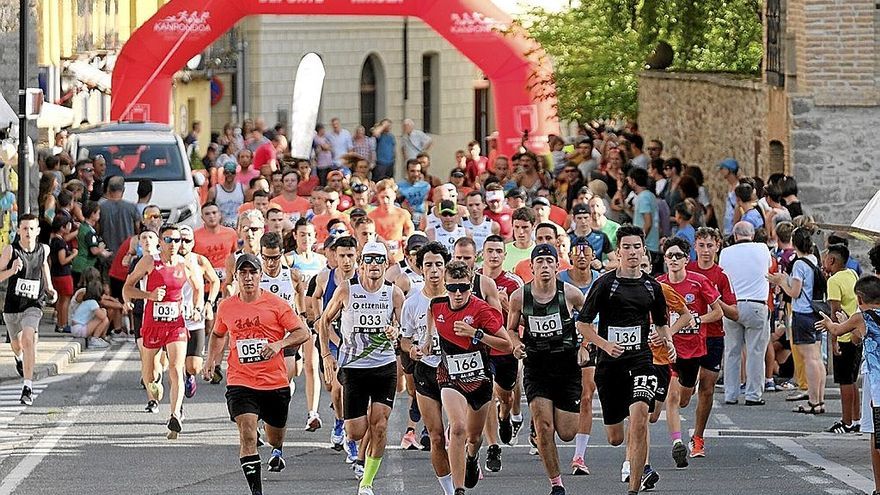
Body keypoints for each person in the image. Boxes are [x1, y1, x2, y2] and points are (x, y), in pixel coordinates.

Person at [576, 224, 676, 495]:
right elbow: (583, 324)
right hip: (610, 365)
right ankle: (629, 460)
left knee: (641, 417)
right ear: (618, 252)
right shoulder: (606, 284)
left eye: (636, 247)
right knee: (615, 437)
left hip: (641, 360)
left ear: (643, 250)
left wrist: (667, 341)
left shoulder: (652, 287)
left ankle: (634, 486)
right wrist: (604, 345)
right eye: (627, 247)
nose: (632, 252)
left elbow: (662, 324)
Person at [204, 253, 310, 495]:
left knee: (275, 437)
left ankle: (277, 449)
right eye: (243, 273)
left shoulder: (276, 304)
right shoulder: (227, 306)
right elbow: (219, 334)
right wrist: (211, 360)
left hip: (274, 382)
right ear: (237, 276)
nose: (248, 278)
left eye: (253, 273)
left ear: (260, 276)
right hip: (240, 381)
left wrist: (278, 345)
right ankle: (256, 491)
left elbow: (301, 332)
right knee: (248, 432)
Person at [318, 242, 405, 495]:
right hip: (353, 368)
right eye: (370, 260)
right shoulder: (347, 290)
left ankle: (366, 482)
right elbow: (323, 321)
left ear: (386, 265)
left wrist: (395, 331)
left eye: (380, 260)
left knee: (379, 425)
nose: (375, 265)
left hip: (384, 366)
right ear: (362, 264)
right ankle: (351, 438)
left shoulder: (394, 293)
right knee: (356, 431)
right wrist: (326, 355)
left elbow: (402, 329)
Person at [425, 260, 513, 495]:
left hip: (479, 379)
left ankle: (472, 457)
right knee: (457, 428)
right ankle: (458, 489)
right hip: (449, 375)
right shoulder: (437, 305)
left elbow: (506, 344)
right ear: (445, 286)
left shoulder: (481, 309)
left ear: (470, 287)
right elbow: (430, 323)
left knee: (473, 437)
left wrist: (476, 333)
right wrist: (425, 341)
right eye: (452, 288)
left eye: (462, 288)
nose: (457, 294)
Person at [507, 244, 587, 495]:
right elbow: (510, 329)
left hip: (566, 367)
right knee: (544, 427)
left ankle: (543, 429)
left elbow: (587, 324)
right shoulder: (520, 297)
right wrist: (517, 345)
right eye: (539, 262)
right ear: (531, 267)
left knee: (566, 432)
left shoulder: (572, 294)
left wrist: (584, 347)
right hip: (537, 366)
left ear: (556, 266)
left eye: (548, 261)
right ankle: (556, 484)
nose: (544, 266)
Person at [124, 225, 204, 438]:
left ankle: (175, 414)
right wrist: (148, 295)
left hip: (176, 324)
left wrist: (197, 308)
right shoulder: (150, 261)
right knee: (151, 374)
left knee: (177, 369)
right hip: (152, 324)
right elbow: (127, 288)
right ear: (160, 242)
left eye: (177, 240)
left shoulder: (186, 264)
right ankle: (154, 386)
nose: (173, 244)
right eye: (168, 240)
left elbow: (198, 288)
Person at [657, 237, 722, 468]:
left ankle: (689, 388)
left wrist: (697, 319)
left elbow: (718, 313)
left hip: (693, 349)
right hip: (667, 349)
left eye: (678, 256)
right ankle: (678, 443)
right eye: (669, 256)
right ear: (665, 260)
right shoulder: (658, 284)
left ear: (686, 259)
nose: (674, 260)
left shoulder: (699, 282)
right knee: (672, 397)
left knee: (684, 399)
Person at [815, 275, 880, 495]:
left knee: (876, 436)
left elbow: (838, 332)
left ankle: (879, 488)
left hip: (876, 386)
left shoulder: (860, 316)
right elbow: (858, 337)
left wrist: (831, 322)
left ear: (860, 298)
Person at [400, 241, 455, 494]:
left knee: (460, 433)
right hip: (426, 371)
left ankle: (470, 460)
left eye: (439, 265)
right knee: (435, 435)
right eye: (428, 265)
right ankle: (449, 489)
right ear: (420, 269)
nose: (434, 270)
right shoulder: (412, 303)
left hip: (456, 371)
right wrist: (412, 349)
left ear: (446, 267)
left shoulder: (459, 297)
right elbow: (405, 338)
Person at [686, 227, 739, 457]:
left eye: (710, 246)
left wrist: (715, 300)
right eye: (702, 246)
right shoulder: (685, 270)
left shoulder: (722, 275)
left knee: (706, 390)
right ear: (695, 247)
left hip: (713, 336)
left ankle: (698, 436)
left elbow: (734, 313)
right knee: (684, 395)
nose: (706, 251)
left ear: (717, 247)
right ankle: (679, 432)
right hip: (686, 338)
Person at [0, 214, 58, 405]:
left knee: (28, 338)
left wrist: (49, 287)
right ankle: (19, 359)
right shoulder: (11, 251)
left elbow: (43, 266)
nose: (28, 232)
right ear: (18, 230)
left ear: (38, 231)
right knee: (17, 345)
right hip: (13, 306)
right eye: (24, 228)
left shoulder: (44, 249)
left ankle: (27, 387)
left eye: (32, 228)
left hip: (34, 303)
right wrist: (11, 270)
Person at [768, 227, 827, 413]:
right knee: (817, 358)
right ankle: (820, 399)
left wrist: (780, 282)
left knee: (809, 358)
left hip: (803, 313)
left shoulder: (799, 264)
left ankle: (813, 400)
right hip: (816, 312)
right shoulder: (813, 259)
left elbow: (795, 292)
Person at [312, 236, 360, 464]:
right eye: (342, 256)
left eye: (350, 255)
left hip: (359, 344)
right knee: (335, 388)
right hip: (333, 339)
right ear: (334, 256)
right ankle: (340, 421)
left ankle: (352, 439)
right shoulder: (326, 276)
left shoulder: (364, 279)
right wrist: (316, 318)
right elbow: (315, 297)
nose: (347, 260)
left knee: (347, 389)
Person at [558, 237, 600, 475]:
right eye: (577, 253)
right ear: (570, 256)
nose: (582, 256)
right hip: (559, 345)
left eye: (586, 253)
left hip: (590, 343)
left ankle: (579, 456)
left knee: (587, 393)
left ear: (593, 257)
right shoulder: (559, 280)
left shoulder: (600, 281)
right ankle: (540, 427)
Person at [719, 221, 772, 406]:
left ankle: (730, 394)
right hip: (756, 304)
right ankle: (753, 394)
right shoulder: (762, 249)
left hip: (732, 306)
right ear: (753, 235)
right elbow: (769, 267)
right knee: (755, 351)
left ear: (734, 236)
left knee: (732, 351)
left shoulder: (725, 253)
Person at [286, 219, 326, 432]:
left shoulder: (320, 261)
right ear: (295, 236)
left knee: (311, 366)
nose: (306, 238)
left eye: (309, 235)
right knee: (292, 371)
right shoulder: (289, 260)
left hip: (310, 320)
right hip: (291, 320)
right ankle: (286, 388)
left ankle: (312, 413)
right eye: (302, 234)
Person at [178, 225, 221, 399]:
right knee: (175, 361)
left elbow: (215, 281)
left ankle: (189, 375)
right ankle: (177, 394)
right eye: (179, 240)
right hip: (174, 318)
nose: (182, 244)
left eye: (187, 241)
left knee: (194, 366)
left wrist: (209, 303)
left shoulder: (200, 261)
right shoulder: (168, 262)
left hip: (195, 317)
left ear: (193, 243)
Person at [822, 243, 861, 433]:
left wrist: (834, 340)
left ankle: (846, 421)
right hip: (856, 332)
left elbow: (835, 312)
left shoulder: (833, 281)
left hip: (844, 335)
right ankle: (856, 418)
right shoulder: (852, 274)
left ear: (831, 260)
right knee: (852, 379)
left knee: (844, 380)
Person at [193, 202, 239, 285]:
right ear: (202, 217)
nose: (211, 216)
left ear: (220, 215)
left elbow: (235, 255)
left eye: (214, 213)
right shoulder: (195, 236)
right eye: (207, 214)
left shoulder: (231, 233)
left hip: (227, 283)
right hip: (205, 284)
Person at [98, 176, 141, 253]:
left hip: (108, 252)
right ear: (123, 189)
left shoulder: (101, 207)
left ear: (108, 189)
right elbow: (138, 229)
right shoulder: (131, 207)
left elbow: (97, 229)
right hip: (127, 251)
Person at [49, 215, 77, 334]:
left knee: (60, 300)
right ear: (62, 227)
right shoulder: (60, 242)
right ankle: (64, 323)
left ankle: (59, 324)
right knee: (65, 300)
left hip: (55, 273)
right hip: (63, 274)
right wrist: (73, 254)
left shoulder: (54, 240)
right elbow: (62, 260)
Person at [69, 278, 111, 347]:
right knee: (104, 319)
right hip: (79, 329)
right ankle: (94, 339)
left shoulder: (87, 302)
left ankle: (96, 338)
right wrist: (104, 310)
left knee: (101, 317)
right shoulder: (92, 302)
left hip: (76, 328)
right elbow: (102, 316)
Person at [208, 161, 247, 228]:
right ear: (223, 173)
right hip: (221, 226)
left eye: (232, 172)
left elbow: (247, 207)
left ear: (235, 174)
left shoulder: (243, 189)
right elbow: (208, 210)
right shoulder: (214, 190)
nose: (230, 174)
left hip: (239, 226)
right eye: (227, 172)